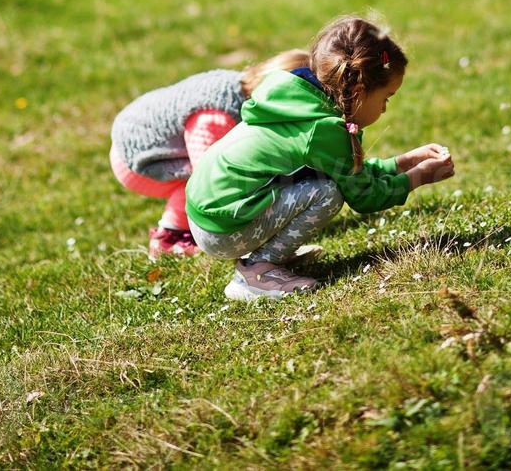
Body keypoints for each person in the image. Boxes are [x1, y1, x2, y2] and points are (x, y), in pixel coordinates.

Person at [185, 15, 455, 301]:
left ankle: (270, 258)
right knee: (326, 193)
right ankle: (257, 274)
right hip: (223, 229)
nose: (386, 109)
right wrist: (419, 176)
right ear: (360, 92)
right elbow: (365, 196)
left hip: (210, 212)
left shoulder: (298, 96)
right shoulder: (325, 130)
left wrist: (400, 163)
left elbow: (346, 170)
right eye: (386, 98)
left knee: (323, 181)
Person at [110, 49, 309, 258]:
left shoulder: (243, 88)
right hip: (137, 156)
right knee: (203, 181)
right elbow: (205, 178)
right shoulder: (217, 118)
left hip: (151, 134)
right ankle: (170, 238)